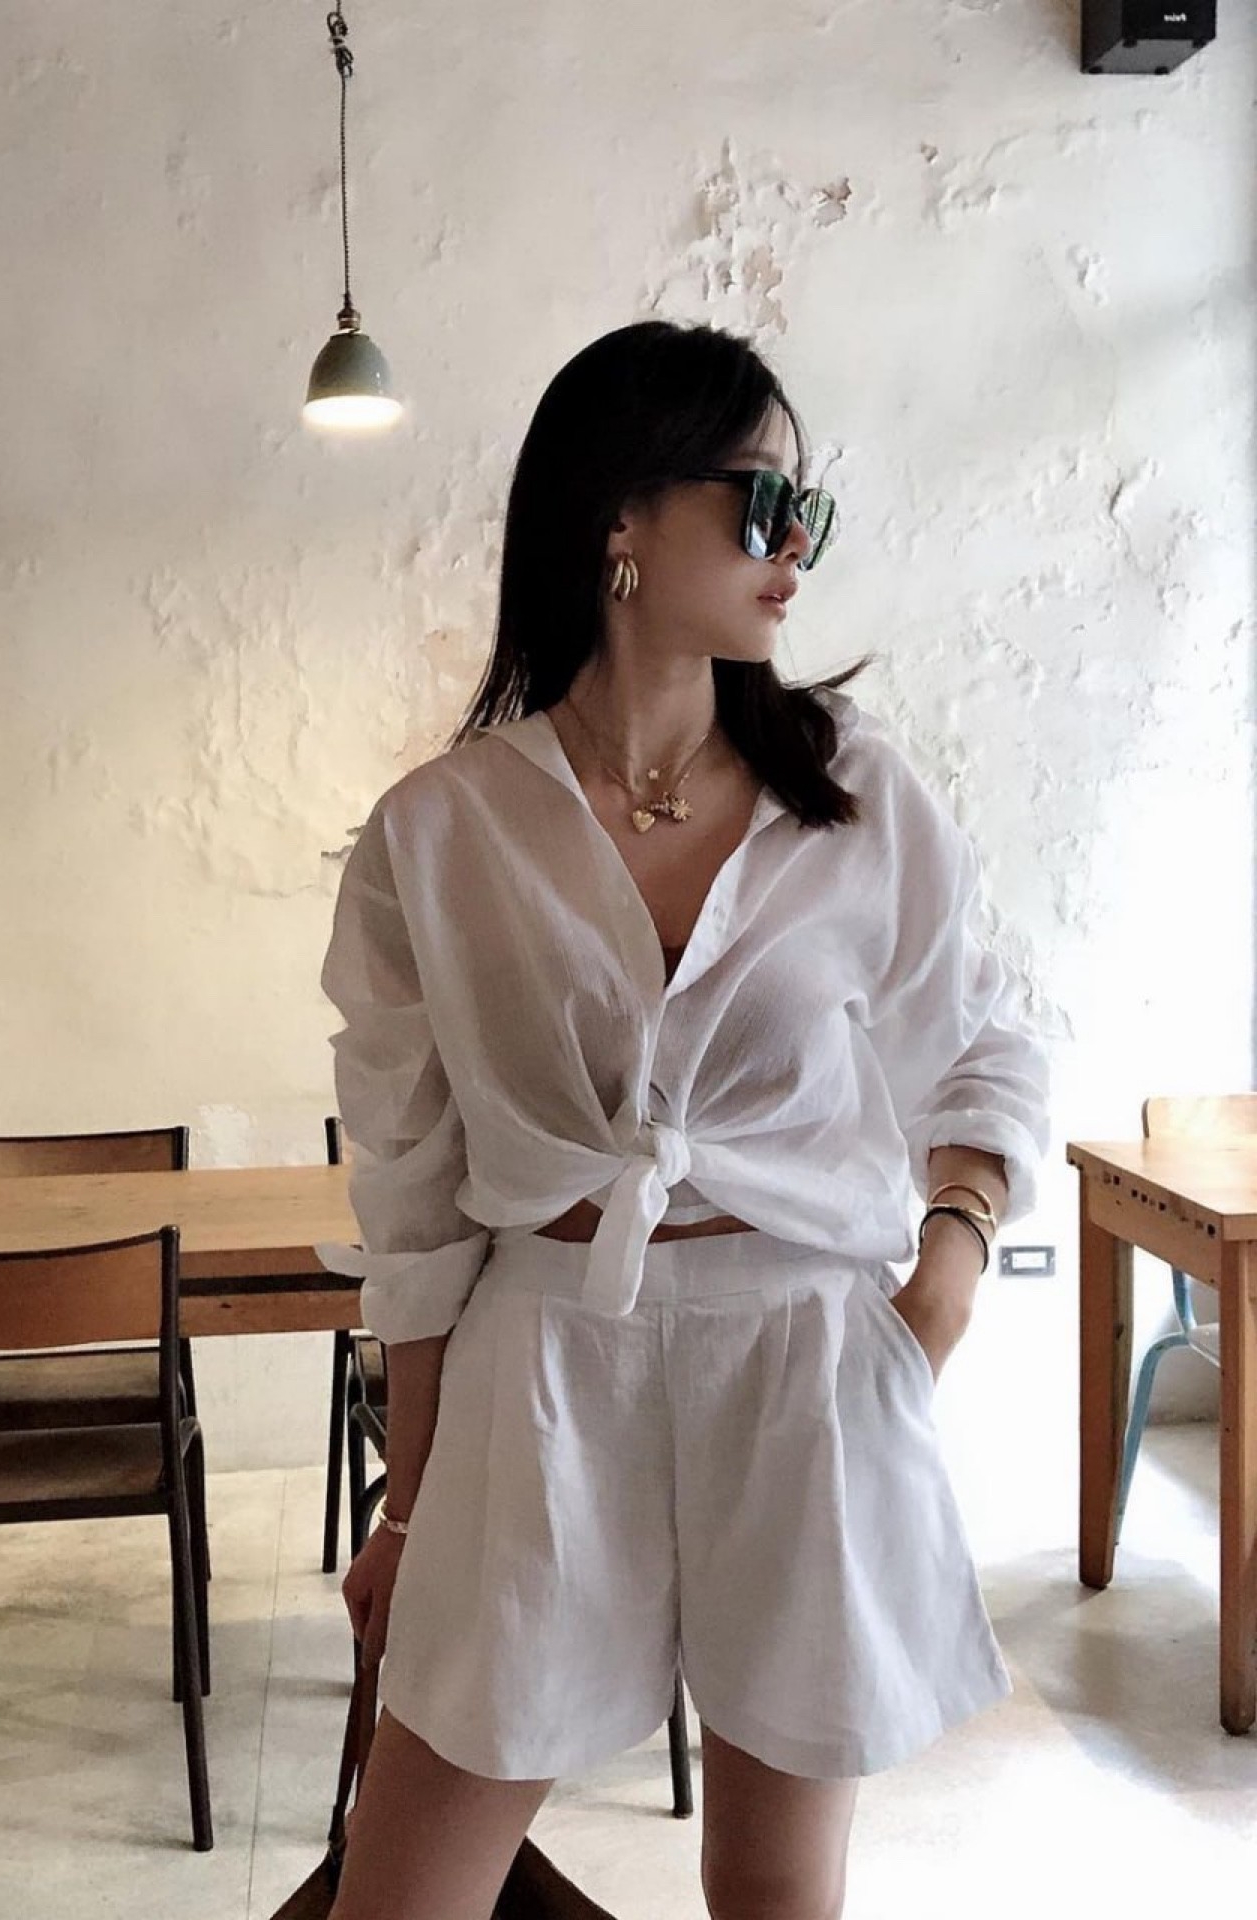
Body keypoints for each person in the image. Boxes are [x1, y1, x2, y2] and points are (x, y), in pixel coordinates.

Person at [313, 319, 1051, 1920]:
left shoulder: (854, 795)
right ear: (623, 519)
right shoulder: (439, 833)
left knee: (775, 1892)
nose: (799, 548)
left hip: (802, 1359)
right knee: (406, 1891)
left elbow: (982, 1043)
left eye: (810, 508)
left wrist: (945, 1271)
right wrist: (409, 1504)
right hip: (542, 1360)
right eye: (765, 502)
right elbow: (416, 1205)